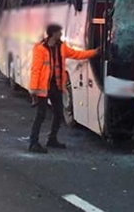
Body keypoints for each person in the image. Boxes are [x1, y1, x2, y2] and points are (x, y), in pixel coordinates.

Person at [28, 24, 99, 153]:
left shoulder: (61, 47)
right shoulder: (40, 49)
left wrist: (94, 53)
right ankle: (33, 142)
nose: (61, 34)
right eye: (59, 32)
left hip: (56, 86)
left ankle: (52, 139)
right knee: (41, 115)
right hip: (43, 87)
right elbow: (36, 69)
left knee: (59, 113)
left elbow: (77, 54)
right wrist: (33, 88)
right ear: (53, 33)